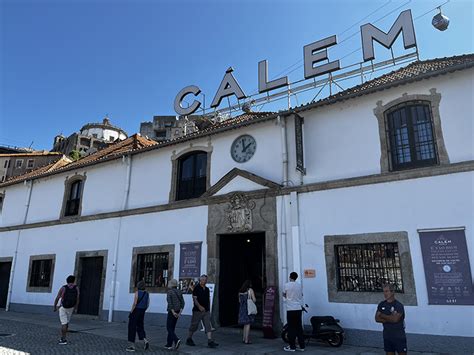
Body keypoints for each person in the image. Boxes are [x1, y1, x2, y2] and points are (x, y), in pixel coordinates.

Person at [186, 274, 218, 348]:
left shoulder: (207, 289)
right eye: (203, 280)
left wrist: (209, 309)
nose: (204, 281)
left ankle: (210, 341)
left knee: (208, 325)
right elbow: (194, 299)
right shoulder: (196, 288)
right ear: (200, 280)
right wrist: (199, 306)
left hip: (206, 311)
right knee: (194, 325)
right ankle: (189, 338)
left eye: (205, 280)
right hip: (197, 310)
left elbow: (208, 299)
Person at [375, 284, 407, 355]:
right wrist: (390, 318)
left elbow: (395, 319)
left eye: (387, 291)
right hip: (387, 336)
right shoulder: (382, 304)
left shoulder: (398, 305)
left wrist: (383, 315)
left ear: (392, 292)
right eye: (384, 291)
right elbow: (377, 318)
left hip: (399, 337)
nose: (385, 294)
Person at [53, 275, 80, 345]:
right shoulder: (76, 288)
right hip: (71, 307)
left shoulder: (63, 288)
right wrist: (76, 308)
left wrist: (55, 307)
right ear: (73, 281)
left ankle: (63, 339)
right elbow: (77, 299)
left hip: (63, 307)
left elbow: (58, 297)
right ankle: (65, 335)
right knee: (67, 322)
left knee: (63, 323)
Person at [282, 272, 305, 352]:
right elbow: (301, 295)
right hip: (298, 309)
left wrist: (288, 297)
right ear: (296, 277)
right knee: (299, 328)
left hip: (290, 309)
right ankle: (302, 346)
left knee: (291, 328)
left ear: (290, 277)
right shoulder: (299, 285)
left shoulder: (286, 285)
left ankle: (292, 347)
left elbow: (284, 294)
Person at [126, 280, 150, 352]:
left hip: (136, 311)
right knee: (140, 326)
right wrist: (144, 309)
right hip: (142, 311)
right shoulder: (147, 293)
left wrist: (131, 311)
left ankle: (132, 346)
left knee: (132, 327)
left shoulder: (137, 292)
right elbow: (148, 303)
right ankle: (145, 340)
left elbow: (135, 303)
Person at [165, 279, 185, 350]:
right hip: (178, 311)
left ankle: (176, 340)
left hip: (172, 312)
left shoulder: (169, 292)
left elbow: (170, 303)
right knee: (172, 328)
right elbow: (183, 303)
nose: (168, 283)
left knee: (168, 327)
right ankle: (169, 344)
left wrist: (173, 312)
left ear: (171, 284)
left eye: (169, 282)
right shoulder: (179, 291)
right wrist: (179, 313)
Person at [238, 280, 256, 344]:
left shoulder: (240, 292)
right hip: (248, 309)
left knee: (245, 325)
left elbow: (240, 301)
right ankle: (246, 340)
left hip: (242, 309)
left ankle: (244, 338)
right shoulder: (250, 290)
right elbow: (254, 300)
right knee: (248, 324)